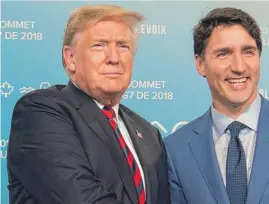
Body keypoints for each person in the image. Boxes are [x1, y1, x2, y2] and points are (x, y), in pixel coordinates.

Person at [164, 7, 269, 204]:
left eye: (248, 52)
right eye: (223, 54)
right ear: (200, 64)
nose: (239, 67)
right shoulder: (177, 149)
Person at [7, 4, 169, 204]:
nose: (114, 58)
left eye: (123, 46)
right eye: (99, 45)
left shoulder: (149, 133)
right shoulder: (40, 112)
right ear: (71, 58)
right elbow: (81, 198)